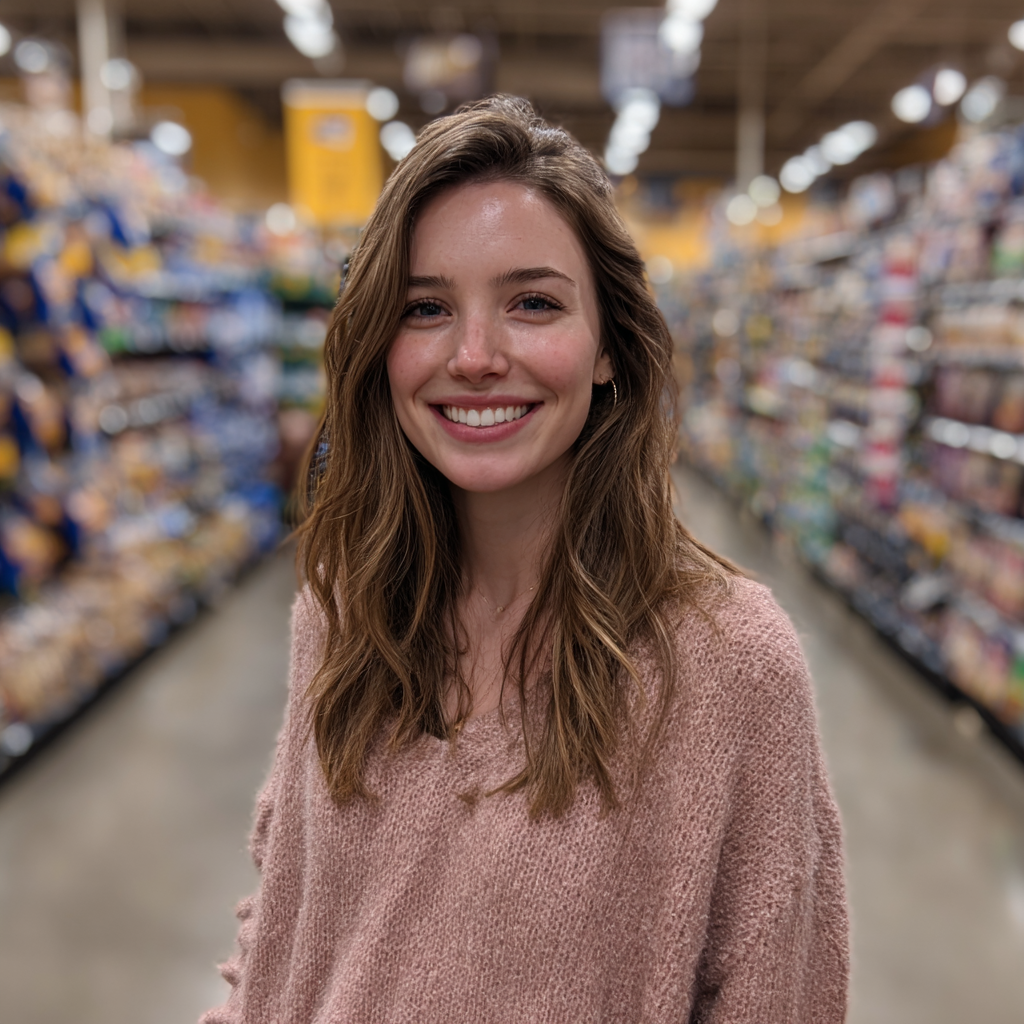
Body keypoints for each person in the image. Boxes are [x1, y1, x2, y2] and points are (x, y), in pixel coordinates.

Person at [201, 95, 848, 1024]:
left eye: (533, 303)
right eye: (426, 308)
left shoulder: (730, 666)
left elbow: (777, 994)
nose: (474, 356)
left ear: (609, 346)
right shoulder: (344, 609)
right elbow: (285, 922)